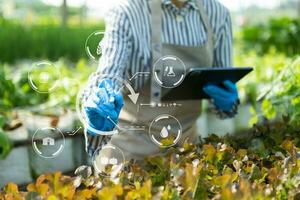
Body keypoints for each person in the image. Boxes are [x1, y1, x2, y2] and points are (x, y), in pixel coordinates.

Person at [83, 0, 239, 161]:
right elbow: (109, 73)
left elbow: (223, 94)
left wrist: (227, 102)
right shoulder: (127, 12)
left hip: (188, 152)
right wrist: (100, 98)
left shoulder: (218, 14)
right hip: (130, 152)